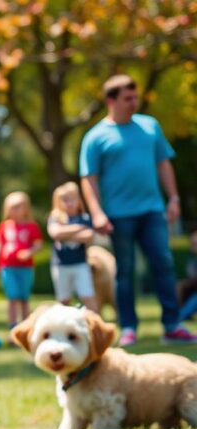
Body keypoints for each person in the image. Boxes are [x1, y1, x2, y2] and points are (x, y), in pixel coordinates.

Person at [79, 74, 195, 345]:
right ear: (111, 100)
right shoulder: (96, 137)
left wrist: (174, 198)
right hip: (118, 215)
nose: (134, 103)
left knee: (163, 265)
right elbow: (89, 178)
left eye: (135, 97)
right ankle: (128, 326)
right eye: (127, 98)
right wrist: (96, 213)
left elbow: (164, 164)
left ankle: (172, 325)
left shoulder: (149, 126)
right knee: (125, 271)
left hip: (152, 210)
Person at [0, 191, 42, 329]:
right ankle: (13, 326)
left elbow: (38, 244)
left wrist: (29, 253)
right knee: (12, 297)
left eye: (19, 206)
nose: (15, 210)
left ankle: (26, 325)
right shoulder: (4, 226)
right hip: (8, 267)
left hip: (25, 268)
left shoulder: (31, 226)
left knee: (24, 298)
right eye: (12, 207)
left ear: (26, 208)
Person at [46, 182, 98, 312]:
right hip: (61, 265)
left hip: (80, 264)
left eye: (72, 199)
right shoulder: (56, 218)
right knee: (64, 299)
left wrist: (65, 235)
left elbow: (88, 236)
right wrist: (78, 229)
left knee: (87, 296)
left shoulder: (85, 218)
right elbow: (55, 233)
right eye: (65, 200)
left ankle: (94, 322)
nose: (69, 203)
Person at [178, 231, 197, 322]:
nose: (193, 246)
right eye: (192, 243)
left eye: (195, 243)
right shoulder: (192, 259)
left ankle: (181, 315)